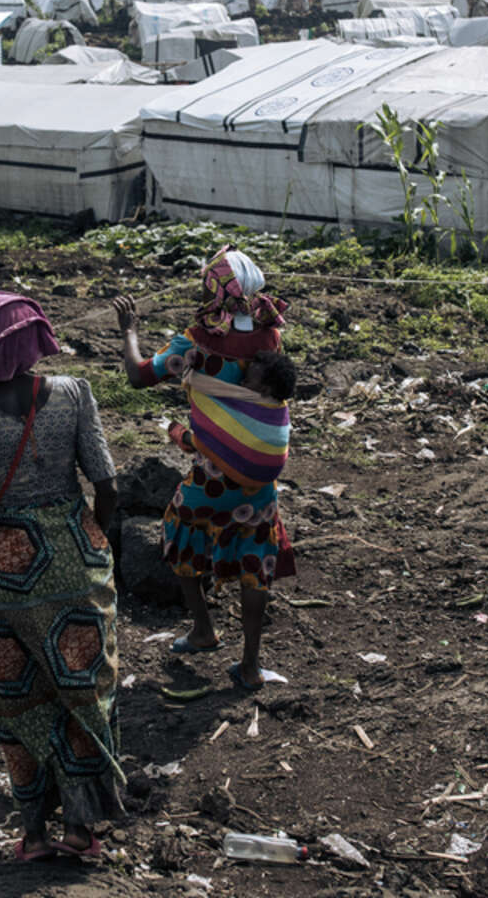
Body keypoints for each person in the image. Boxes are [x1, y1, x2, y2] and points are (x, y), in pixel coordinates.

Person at [0, 291, 123, 862]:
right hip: (75, 562)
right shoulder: (74, 393)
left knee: (18, 703)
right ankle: (83, 832)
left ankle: (35, 835)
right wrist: (96, 547)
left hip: (3, 574)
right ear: (36, 340)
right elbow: (107, 486)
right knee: (82, 697)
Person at [114, 245, 295, 692]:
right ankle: (250, 664)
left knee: (179, 533)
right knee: (256, 560)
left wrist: (129, 330)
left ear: (215, 289)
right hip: (256, 483)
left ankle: (203, 629)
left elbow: (139, 376)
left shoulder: (194, 343)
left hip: (211, 478)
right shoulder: (269, 337)